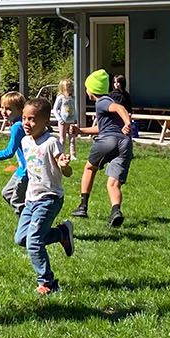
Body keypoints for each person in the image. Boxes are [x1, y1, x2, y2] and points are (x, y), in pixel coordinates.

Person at [13, 100, 75, 295]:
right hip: (31, 199)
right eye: (24, 118)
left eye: (32, 119)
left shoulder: (52, 142)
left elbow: (67, 172)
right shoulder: (25, 141)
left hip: (50, 198)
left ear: (45, 120)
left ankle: (47, 282)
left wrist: (64, 166)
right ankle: (61, 234)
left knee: (34, 242)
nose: (26, 123)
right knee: (21, 238)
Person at [70, 70, 133, 228]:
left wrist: (127, 123)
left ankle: (83, 206)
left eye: (87, 88)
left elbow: (120, 108)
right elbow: (103, 128)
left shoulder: (102, 101)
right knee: (113, 183)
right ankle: (116, 211)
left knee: (90, 168)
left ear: (91, 89)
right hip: (124, 143)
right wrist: (81, 131)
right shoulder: (106, 102)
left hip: (108, 141)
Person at [50, 79, 75, 161]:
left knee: (72, 138)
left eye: (71, 86)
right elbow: (55, 109)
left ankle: (73, 154)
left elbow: (75, 109)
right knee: (62, 139)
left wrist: (75, 118)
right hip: (63, 121)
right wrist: (59, 119)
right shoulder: (61, 97)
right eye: (68, 87)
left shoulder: (72, 98)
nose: (70, 88)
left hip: (71, 121)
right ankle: (62, 153)